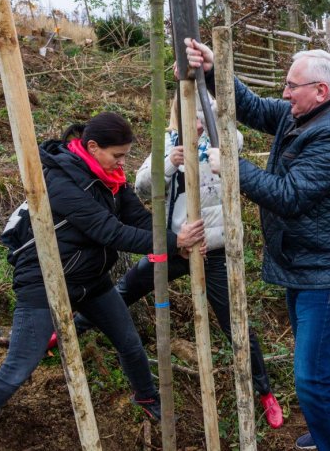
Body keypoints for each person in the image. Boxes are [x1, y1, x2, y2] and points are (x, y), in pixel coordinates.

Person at [185, 40, 330, 451]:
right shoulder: (303, 113)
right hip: (302, 262)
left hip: (326, 272)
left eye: (291, 86)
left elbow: (288, 194)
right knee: (320, 364)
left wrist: (231, 166)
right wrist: (215, 71)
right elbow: (251, 108)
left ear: (320, 90)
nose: (284, 94)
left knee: (310, 375)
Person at [0, 112, 205, 431]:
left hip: (89, 278)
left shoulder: (109, 177)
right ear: (94, 147)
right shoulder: (58, 180)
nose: (123, 163)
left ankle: (146, 398)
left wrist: (175, 243)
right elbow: (109, 231)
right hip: (44, 281)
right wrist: (172, 241)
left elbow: (137, 220)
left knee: (129, 342)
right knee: (17, 370)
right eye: (118, 155)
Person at [72, 93, 284, 429]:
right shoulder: (169, 142)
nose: (198, 125)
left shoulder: (224, 141)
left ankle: (265, 392)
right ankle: (73, 328)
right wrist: (169, 161)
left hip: (213, 250)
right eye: (193, 118)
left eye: (204, 118)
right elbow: (141, 187)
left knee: (234, 323)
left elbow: (236, 143)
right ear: (180, 117)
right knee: (128, 287)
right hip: (177, 247)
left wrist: (214, 129)